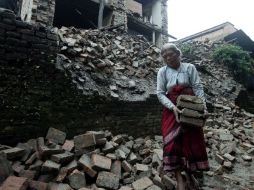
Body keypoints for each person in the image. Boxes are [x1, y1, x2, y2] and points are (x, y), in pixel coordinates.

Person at [156, 43, 209, 190]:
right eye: (164, 56)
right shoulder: (162, 71)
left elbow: (198, 87)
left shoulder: (189, 68)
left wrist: (203, 108)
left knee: (191, 142)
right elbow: (160, 93)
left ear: (178, 54)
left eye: (171, 54)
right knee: (172, 144)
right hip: (172, 109)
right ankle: (179, 178)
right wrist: (173, 108)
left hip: (191, 106)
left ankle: (190, 174)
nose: (168, 58)